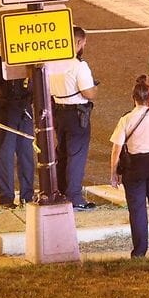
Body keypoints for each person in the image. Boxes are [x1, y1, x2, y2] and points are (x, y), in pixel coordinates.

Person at [109, 76, 149, 258]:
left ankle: (139, 252)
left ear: (133, 98)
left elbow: (117, 148)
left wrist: (113, 173)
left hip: (134, 168)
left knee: (137, 211)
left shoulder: (126, 119)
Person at [47, 26, 98, 211]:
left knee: (62, 153)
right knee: (76, 156)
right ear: (77, 42)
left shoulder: (53, 62)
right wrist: (95, 89)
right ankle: (75, 197)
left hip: (58, 111)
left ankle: (60, 191)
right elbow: (88, 92)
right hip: (77, 114)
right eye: (83, 42)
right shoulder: (78, 65)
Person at [0, 34, 34, 209]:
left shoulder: (25, 53)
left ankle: (28, 197)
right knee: (4, 155)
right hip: (4, 110)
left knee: (26, 154)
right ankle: (6, 199)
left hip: (24, 108)